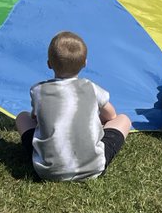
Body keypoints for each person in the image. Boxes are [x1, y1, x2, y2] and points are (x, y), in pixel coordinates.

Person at [15, 31, 132, 181]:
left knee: (22, 117)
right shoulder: (91, 88)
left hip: (48, 171)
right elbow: (111, 115)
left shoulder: (38, 90)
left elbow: (35, 118)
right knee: (123, 119)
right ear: (85, 63)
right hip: (93, 167)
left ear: (49, 64)